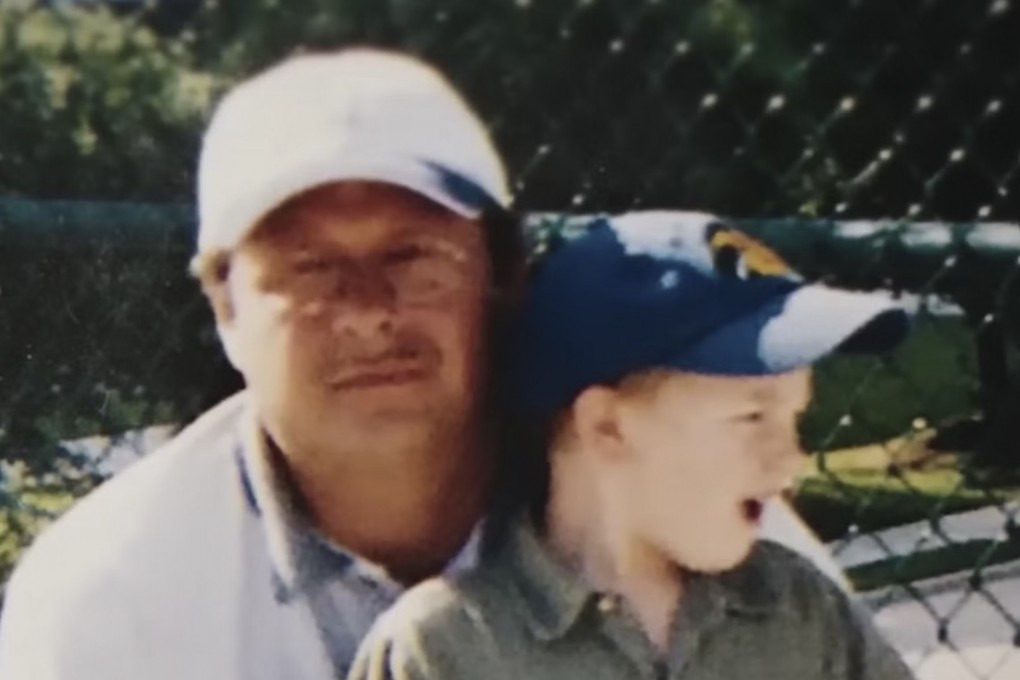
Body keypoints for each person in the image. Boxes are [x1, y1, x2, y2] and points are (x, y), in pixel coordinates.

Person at [0, 50, 841, 679]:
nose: (368, 310)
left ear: (504, 278)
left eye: (416, 257)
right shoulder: (110, 598)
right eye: (310, 270)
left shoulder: (667, 503)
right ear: (226, 309)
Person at [349, 212, 916, 680]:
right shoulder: (450, 648)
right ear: (607, 428)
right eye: (751, 416)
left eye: (794, 417)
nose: (789, 459)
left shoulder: (800, 612)